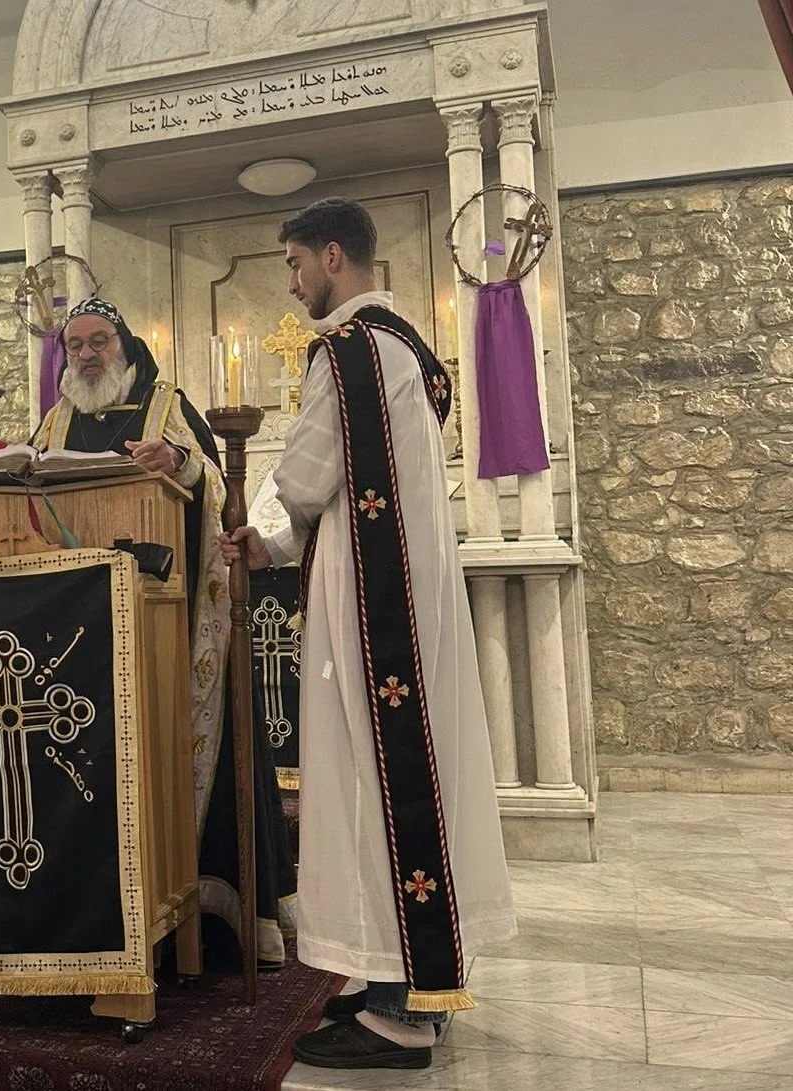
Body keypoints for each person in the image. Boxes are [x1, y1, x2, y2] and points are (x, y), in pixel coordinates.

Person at [222, 197, 515, 1070]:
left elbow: (305, 477)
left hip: (369, 604)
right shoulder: (410, 349)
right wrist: (277, 541)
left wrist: (258, 527)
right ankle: (403, 978)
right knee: (407, 779)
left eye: (294, 263)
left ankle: (397, 1011)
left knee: (368, 782)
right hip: (411, 594)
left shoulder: (346, 349)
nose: (291, 282)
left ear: (333, 256)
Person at [33, 297, 298, 969]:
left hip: (168, 627)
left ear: (125, 345)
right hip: (81, 636)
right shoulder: (55, 421)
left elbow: (219, 491)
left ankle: (205, 907)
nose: (86, 354)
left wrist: (179, 462)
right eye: (76, 344)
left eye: (99, 341)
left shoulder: (164, 407)